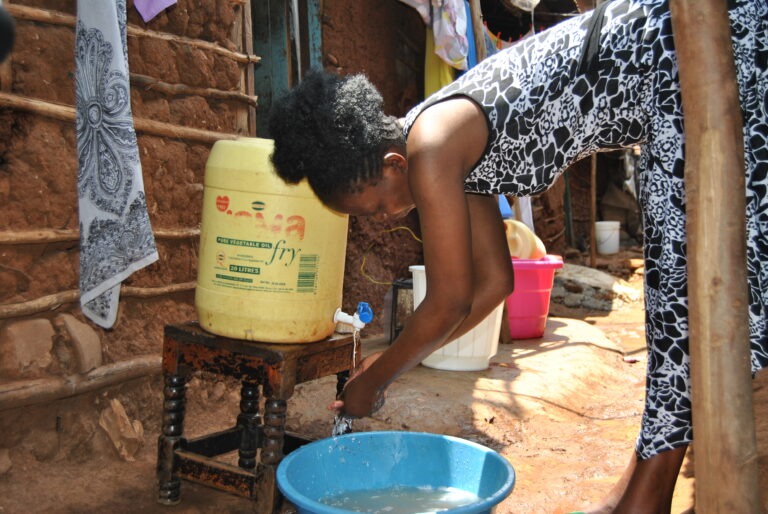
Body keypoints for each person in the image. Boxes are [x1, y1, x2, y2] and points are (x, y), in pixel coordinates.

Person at [268, 0, 768, 511]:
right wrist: (392, 357)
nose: (383, 219)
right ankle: (638, 492)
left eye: (373, 207)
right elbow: (492, 285)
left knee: (680, 301)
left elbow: (449, 300)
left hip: (687, 52)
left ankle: (647, 497)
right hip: (668, 79)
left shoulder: (432, 146)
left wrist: (377, 378)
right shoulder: (440, 135)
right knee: (677, 306)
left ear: (394, 165)